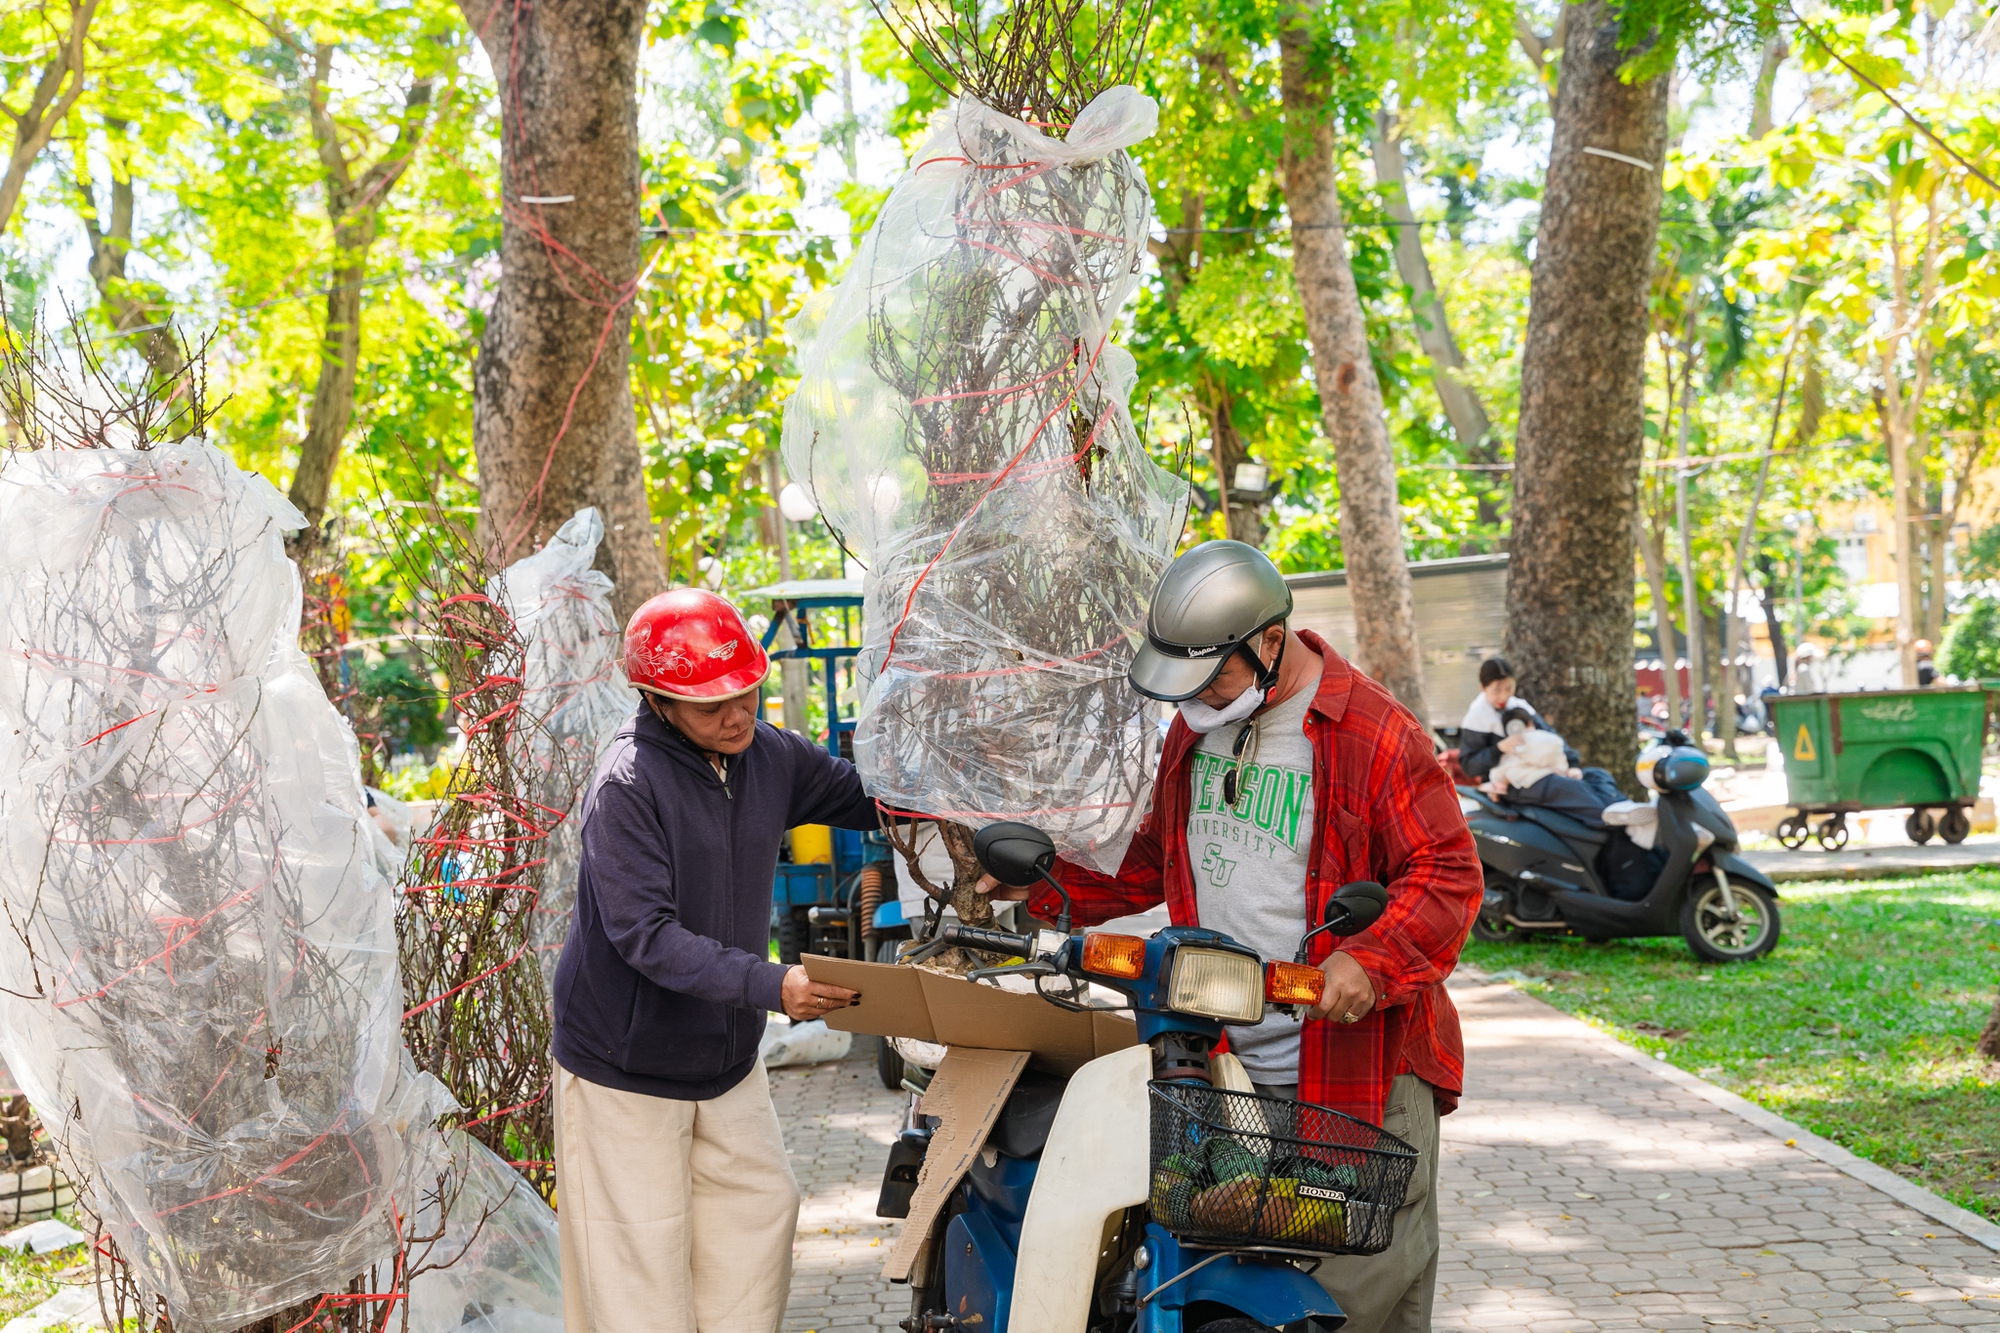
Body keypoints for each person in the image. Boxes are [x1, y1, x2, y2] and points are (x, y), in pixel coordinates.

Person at [983, 540, 1480, 1333]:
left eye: (1212, 674)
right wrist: (1047, 889)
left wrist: (1367, 958)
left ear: (1271, 643)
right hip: (1226, 1073)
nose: (1197, 697)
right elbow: (1156, 860)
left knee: (1349, 1307)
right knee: (1224, 1289)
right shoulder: (1199, 729)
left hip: (1354, 1079)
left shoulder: (1374, 735)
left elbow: (1448, 875)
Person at [550, 587, 875, 1333]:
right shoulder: (626, 785)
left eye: (746, 692)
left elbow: (864, 797)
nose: (737, 715)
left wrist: (953, 796)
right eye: (711, 704)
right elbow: (647, 936)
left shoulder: (768, 755)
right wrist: (773, 983)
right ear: (658, 700)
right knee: (643, 1273)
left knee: (761, 1214)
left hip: (724, 1056)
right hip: (621, 1065)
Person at [1458, 657, 1621, 827]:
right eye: (1497, 690)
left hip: (1546, 769)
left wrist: (1571, 765)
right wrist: (1499, 749)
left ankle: (1623, 807)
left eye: (1509, 688)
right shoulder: (1477, 717)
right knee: (1570, 788)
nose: (1504, 696)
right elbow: (1469, 765)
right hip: (1514, 781)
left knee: (1596, 775)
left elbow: (1550, 736)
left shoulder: (1519, 706)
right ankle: (1610, 820)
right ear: (1483, 688)